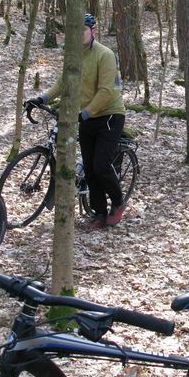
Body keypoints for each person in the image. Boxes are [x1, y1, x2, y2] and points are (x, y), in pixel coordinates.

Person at [26, 13, 127, 228]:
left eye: (83, 29)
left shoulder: (105, 55)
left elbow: (108, 91)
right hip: (86, 116)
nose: (79, 34)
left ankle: (118, 202)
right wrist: (41, 98)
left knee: (101, 165)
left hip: (109, 115)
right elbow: (62, 83)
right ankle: (99, 214)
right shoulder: (73, 55)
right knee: (89, 169)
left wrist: (85, 113)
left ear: (93, 31)